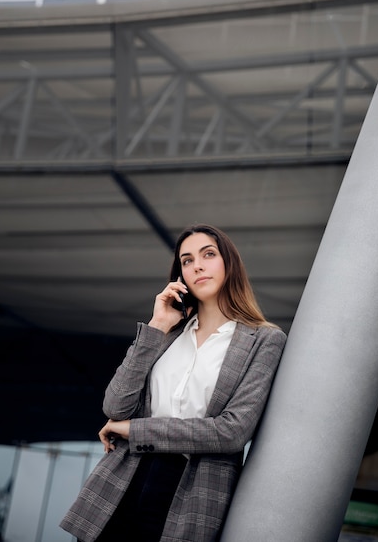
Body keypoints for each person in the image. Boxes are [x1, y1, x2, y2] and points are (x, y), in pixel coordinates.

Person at [60, 223, 287, 542]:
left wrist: (133, 429)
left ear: (229, 264)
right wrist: (157, 326)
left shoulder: (264, 340)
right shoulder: (169, 334)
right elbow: (116, 405)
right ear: (180, 275)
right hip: (122, 480)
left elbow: (231, 432)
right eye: (187, 260)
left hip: (192, 489)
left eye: (208, 254)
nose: (198, 266)